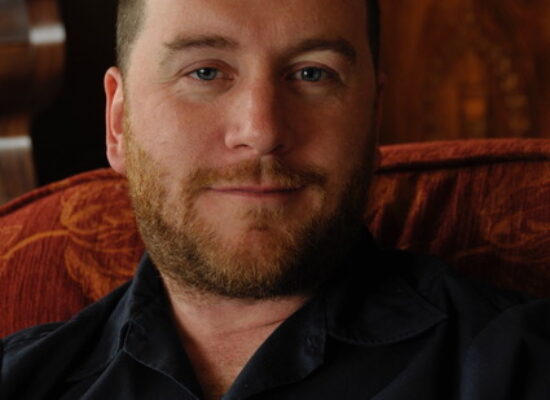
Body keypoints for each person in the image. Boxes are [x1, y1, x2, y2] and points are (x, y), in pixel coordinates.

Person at [0, 0, 547, 399]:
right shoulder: (21, 380)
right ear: (119, 121)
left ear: (373, 118)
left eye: (313, 74)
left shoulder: (517, 368)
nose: (261, 130)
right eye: (205, 72)